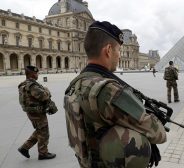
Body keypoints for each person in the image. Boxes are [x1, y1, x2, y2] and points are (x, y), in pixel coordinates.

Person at [64, 21, 167, 168]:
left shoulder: (76, 84)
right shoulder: (109, 91)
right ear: (108, 50)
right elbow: (158, 134)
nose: (119, 55)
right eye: (119, 50)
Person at [18, 65, 57, 160]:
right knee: (44, 132)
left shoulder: (24, 83)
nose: (37, 74)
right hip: (37, 113)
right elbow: (43, 96)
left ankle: (24, 148)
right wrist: (47, 90)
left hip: (33, 112)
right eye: (36, 73)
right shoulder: (32, 85)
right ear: (31, 74)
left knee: (40, 130)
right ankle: (43, 153)